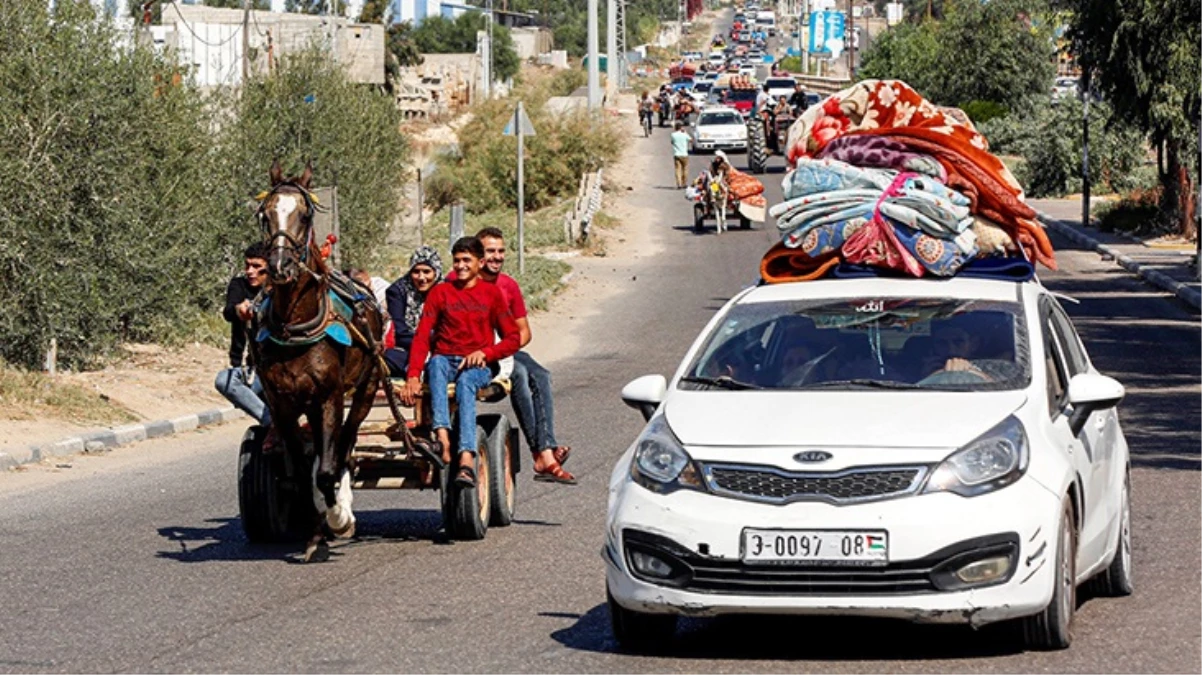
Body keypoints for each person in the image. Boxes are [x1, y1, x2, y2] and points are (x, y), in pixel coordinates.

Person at [401, 237, 521, 487]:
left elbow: (513, 338)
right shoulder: (440, 292)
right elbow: (423, 335)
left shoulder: (492, 294)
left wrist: (487, 353)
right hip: (445, 358)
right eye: (457, 260)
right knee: (434, 365)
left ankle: (466, 457)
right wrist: (413, 375)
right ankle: (442, 438)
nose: (461, 265)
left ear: (480, 262)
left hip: (478, 365)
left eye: (467, 260)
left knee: (466, 383)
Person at [474, 227, 576, 485]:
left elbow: (524, 332)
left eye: (500, 252)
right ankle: (541, 454)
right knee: (519, 373)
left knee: (540, 374)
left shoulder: (508, 285)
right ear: (477, 255)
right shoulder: (464, 281)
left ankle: (546, 448)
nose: (496, 257)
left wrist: (503, 349)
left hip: (503, 349)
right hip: (474, 351)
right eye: (490, 252)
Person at [215, 242, 271, 426]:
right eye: (247, 266)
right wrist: (240, 310)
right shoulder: (238, 285)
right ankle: (272, 423)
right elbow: (229, 312)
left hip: (277, 367)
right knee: (224, 381)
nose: (250, 271)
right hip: (252, 370)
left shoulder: (279, 291)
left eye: (256, 267)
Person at [383, 246, 443, 377]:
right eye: (416, 272)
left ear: (436, 272)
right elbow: (399, 332)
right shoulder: (397, 291)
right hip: (409, 347)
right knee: (387, 357)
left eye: (427, 272)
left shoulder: (446, 290)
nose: (421, 278)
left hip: (441, 349)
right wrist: (423, 347)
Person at [670, 121, 691, 189]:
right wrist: (685, 132)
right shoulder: (684, 135)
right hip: (684, 154)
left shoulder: (673, 135)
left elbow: (672, 142)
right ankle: (684, 183)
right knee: (685, 169)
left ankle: (679, 184)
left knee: (677, 170)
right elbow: (691, 140)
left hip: (677, 154)